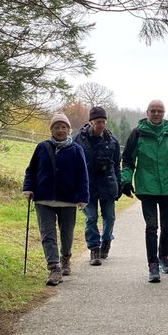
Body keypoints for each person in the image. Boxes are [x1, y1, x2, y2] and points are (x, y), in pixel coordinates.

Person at [120, 99, 168, 283]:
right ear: (147, 112)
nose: (156, 114)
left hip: (167, 187)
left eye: (159, 111)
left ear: (164, 113)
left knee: (167, 226)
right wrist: (126, 181)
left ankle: (163, 257)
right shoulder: (138, 134)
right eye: (153, 111)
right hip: (146, 187)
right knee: (152, 226)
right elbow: (128, 159)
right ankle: (153, 265)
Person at [22, 112, 89, 286]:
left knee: (67, 233)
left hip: (68, 199)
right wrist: (28, 188)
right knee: (47, 234)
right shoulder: (42, 147)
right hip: (43, 199)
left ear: (68, 129)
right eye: (57, 127)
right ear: (51, 129)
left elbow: (83, 175)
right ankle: (54, 268)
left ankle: (65, 257)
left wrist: (83, 197)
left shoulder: (76, 149)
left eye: (63, 127)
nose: (60, 130)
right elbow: (31, 170)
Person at [73, 106, 121, 266]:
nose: (101, 125)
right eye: (98, 122)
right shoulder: (79, 140)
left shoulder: (112, 141)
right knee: (91, 217)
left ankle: (106, 241)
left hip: (108, 184)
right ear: (91, 122)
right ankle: (94, 249)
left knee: (109, 217)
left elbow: (116, 166)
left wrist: (119, 185)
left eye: (103, 122)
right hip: (87, 186)